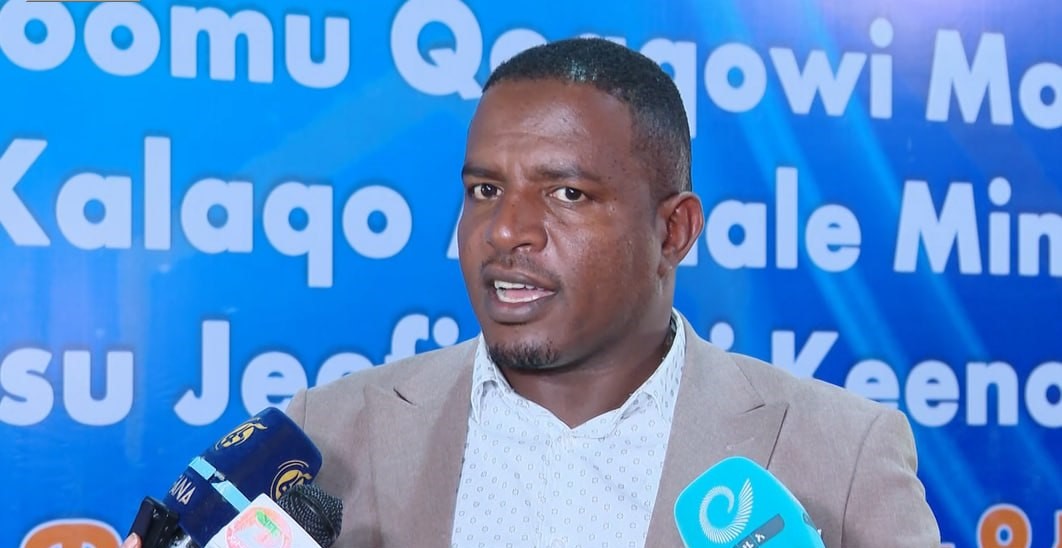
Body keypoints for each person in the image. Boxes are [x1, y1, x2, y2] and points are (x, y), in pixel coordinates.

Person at [125, 37, 940, 548]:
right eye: (484, 190)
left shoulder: (841, 456)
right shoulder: (323, 439)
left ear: (674, 231)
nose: (505, 230)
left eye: (567, 194)